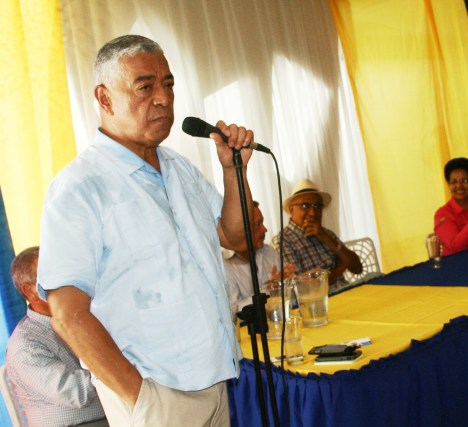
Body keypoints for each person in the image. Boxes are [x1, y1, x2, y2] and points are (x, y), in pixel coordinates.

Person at [37, 35, 256, 426]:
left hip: (216, 380)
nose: (164, 99)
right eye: (145, 87)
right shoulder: (79, 188)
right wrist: (140, 397)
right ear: (105, 99)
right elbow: (68, 314)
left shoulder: (179, 168)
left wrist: (233, 171)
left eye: (168, 85)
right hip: (156, 395)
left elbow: (237, 238)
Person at [5, 247, 107, 427]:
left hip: (117, 411)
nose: (66, 282)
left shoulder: (87, 313)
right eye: (52, 277)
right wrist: (123, 364)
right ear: (29, 291)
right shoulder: (24, 345)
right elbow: (75, 392)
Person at [272, 178, 362, 289]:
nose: (313, 212)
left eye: (318, 206)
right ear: (291, 210)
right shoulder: (283, 241)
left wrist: (326, 238)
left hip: (348, 291)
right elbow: (302, 287)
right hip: (324, 302)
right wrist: (341, 267)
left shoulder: (326, 233)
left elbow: (357, 268)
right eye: (305, 206)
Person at [224, 201, 295, 310]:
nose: (265, 229)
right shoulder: (225, 264)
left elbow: (291, 299)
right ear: (241, 230)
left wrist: (291, 283)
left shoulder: (269, 252)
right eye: (258, 224)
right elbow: (233, 311)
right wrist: (268, 290)